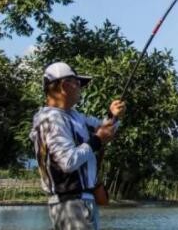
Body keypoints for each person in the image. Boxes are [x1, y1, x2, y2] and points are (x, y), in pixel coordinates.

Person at [30, 62, 125, 230]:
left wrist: (113, 115)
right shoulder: (52, 119)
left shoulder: (74, 116)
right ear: (65, 85)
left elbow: (105, 130)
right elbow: (67, 162)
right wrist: (97, 140)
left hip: (81, 202)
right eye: (78, 83)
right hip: (70, 204)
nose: (80, 88)